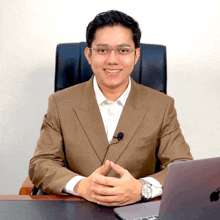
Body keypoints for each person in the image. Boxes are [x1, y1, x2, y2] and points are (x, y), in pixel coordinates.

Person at [29, 10, 193, 207]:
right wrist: (80, 186)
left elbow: (181, 166)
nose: (112, 60)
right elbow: (41, 164)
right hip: (78, 207)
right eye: (102, 50)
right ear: (89, 55)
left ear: (136, 55)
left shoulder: (161, 106)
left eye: (123, 50)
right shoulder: (60, 103)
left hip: (137, 210)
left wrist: (142, 189)